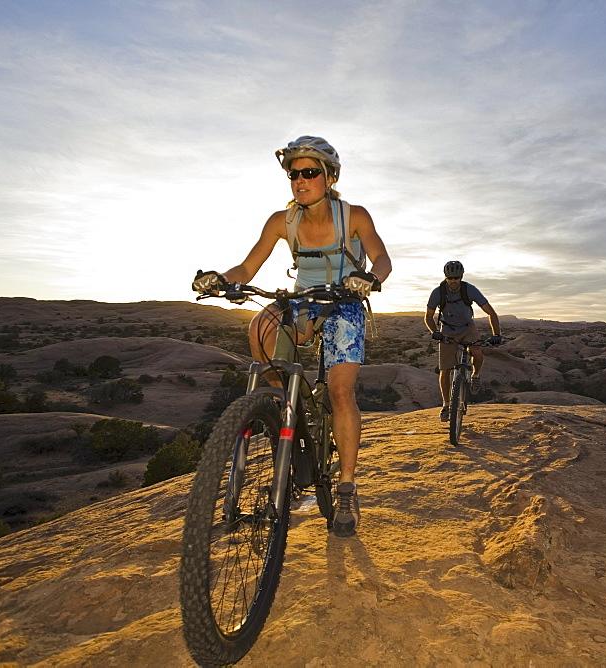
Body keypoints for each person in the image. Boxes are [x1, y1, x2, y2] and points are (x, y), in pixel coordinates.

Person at [192, 136, 392, 537]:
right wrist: (220, 281)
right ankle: (285, 411)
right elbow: (247, 268)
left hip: (342, 302)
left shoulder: (353, 215)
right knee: (260, 326)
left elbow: (382, 257)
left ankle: (347, 488)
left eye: (310, 172)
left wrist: (368, 279)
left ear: (329, 176)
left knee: (340, 392)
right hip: (301, 303)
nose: (300, 180)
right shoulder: (281, 221)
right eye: (293, 173)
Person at [424, 260, 502, 421]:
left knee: (477, 353)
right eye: (450, 278)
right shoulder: (438, 292)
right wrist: (435, 332)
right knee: (445, 370)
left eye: (456, 278)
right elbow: (428, 316)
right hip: (448, 330)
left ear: (461, 277)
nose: (453, 281)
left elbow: (491, 313)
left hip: (467, 328)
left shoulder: (470, 290)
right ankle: (446, 405)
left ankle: (475, 375)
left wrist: (496, 334)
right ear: (446, 277)